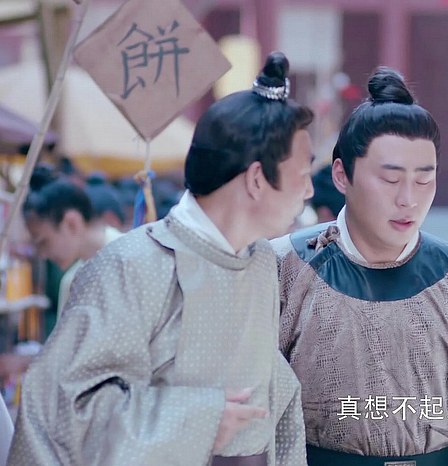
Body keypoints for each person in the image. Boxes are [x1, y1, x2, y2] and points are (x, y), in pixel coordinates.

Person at [10, 52, 314, 466]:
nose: (309, 192)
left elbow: (274, 391)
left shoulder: (261, 260)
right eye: (303, 175)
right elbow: (60, 409)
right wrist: (197, 421)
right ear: (258, 179)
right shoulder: (130, 266)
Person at [272, 67, 448, 465]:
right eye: (390, 180)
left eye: (424, 180)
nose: (408, 199)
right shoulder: (284, 268)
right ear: (342, 175)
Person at [23, 170, 122, 316]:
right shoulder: (71, 283)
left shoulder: (129, 258)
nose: (42, 254)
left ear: (71, 223)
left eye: (43, 242)